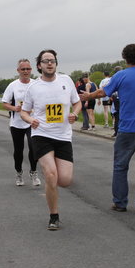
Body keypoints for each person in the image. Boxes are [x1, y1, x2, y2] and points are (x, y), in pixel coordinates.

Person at [80, 44, 135, 214]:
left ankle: (120, 203)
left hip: (127, 128)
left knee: (120, 166)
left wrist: (88, 96)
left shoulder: (120, 76)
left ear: (125, 58)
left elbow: (103, 93)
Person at [21, 49, 81, 230]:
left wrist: (75, 114)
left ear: (56, 64)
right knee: (51, 174)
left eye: (52, 60)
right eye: (46, 61)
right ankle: (53, 216)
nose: (49, 63)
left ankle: (52, 180)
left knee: (64, 180)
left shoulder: (66, 80)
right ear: (39, 66)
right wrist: (31, 120)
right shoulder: (34, 87)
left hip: (63, 135)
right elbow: (24, 112)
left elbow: (77, 102)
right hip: (42, 134)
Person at [2, 58, 41, 187]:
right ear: (18, 70)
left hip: (32, 122)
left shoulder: (36, 84)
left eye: (28, 69)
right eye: (23, 69)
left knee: (34, 147)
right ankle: (19, 173)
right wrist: (15, 108)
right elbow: (4, 103)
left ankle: (33, 172)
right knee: (18, 150)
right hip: (17, 123)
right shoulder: (13, 85)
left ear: (31, 70)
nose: (25, 71)